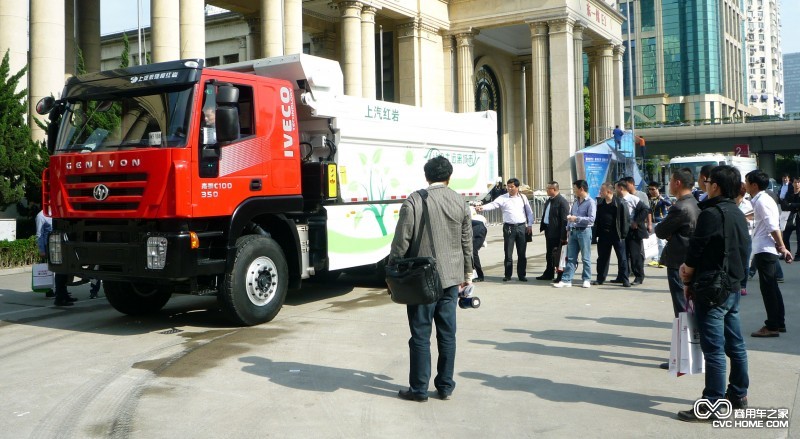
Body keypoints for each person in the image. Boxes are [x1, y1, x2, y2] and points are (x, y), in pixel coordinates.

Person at [389, 156, 472, 402]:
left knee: (420, 335)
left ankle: (419, 389)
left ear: (427, 176)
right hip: (451, 279)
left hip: (422, 281)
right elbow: (466, 241)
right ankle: (445, 385)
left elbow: (402, 239)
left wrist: (393, 267)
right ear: (449, 177)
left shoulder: (415, 200)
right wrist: (467, 274)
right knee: (447, 335)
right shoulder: (460, 201)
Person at [677, 165, 750, 422]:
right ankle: (738, 394)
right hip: (731, 287)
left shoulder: (711, 213)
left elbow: (696, 250)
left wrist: (687, 273)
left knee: (715, 350)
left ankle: (713, 403)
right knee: (736, 344)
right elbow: (744, 250)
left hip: (712, 289)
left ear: (715, 186)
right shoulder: (738, 213)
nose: (705, 186)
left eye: (707, 182)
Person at [745, 170, 793, 338]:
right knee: (772, 287)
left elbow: (772, 226)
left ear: (754, 185)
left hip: (765, 249)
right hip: (766, 248)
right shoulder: (763, 199)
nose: (744, 185)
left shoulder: (761, 201)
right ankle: (779, 323)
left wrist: (782, 247)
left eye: (746, 182)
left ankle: (772, 325)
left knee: (768, 289)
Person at [655, 168, 701, 318]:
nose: (668, 185)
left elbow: (660, 231)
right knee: (690, 302)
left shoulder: (680, 207)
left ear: (677, 183)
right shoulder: (695, 203)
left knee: (682, 304)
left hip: (679, 260)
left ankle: (686, 337)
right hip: (692, 258)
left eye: (670, 182)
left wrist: (670, 234)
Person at [476, 178, 534, 282]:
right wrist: (482, 208)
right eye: (508, 186)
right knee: (508, 253)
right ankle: (508, 275)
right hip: (509, 228)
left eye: (512, 187)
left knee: (522, 253)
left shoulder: (523, 197)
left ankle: (522, 275)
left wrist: (529, 225)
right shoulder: (503, 198)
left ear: (517, 187)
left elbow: (529, 212)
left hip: (521, 227)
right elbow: (493, 204)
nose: (510, 189)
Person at [554, 180, 596, 289]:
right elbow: (571, 215)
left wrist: (576, 219)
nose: (574, 191)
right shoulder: (576, 202)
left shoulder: (590, 202)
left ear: (581, 189)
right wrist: (568, 228)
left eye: (575, 189)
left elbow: (591, 219)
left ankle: (586, 279)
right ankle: (567, 279)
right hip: (573, 231)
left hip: (584, 231)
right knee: (571, 257)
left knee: (585, 257)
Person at [593, 182, 630, 287]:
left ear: (608, 191)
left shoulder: (619, 203)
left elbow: (625, 220)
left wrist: (623, 234)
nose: (600, 192)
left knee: (622, 258)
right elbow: (597, 220)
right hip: (604, 235)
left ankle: (625, 279)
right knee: (602, 258)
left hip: (617, 234)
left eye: (602, 190)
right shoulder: (600, 203)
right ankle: (600, 278)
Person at [36, 210, 76, 307]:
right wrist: (42, 250)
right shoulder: (41, 216)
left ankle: (64, 294)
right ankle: (59, 297)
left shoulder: (57, 213)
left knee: (65, 271)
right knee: (59, 271)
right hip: (51, 246)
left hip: (61, 245)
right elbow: (39, 234)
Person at [617, 181, 649, 286]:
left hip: (634, 231)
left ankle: (639, 276)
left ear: (621, 188)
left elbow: (645, 209)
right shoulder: (619, 200)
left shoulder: (633, 199)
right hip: (624, 230)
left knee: (635, 255)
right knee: (624, 255)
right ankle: (623, 276)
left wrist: (636, 221)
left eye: (616, 188)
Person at [536, 181, 569, 282]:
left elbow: (564, 220)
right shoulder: (549, 200)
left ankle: (560, 275)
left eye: (548, 188)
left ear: (554, 189)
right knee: (549, 254)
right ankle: (549, 273)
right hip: (549, 230)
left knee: (558, 255)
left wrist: (563, 236)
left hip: (557, 233)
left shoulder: (562, 202)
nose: (546, 190)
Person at [735, 182, 753, 297]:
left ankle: (743, 285)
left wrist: (746, 220)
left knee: (745, 262)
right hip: (733, 236)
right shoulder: (730, 204)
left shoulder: (748, 205)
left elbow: (753, 222)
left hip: (746, 236)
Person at [647, 181, 672, 266]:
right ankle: (654, 259)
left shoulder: (663, 197)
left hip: (661, 221)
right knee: (652, 242)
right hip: (652, 222)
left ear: (657, 189)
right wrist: (649, 223)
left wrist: (660, 197)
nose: (651, 191)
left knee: (661, 241)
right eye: (649, 189)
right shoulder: (649, 198)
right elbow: (648, 211)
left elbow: (669, 203)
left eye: (653, 189)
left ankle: (661, 259)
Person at [780, 176, 800, 259]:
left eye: (798, 182)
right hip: (789, 217)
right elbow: (784, 205)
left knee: (799, 238)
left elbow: (791, 205)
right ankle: (787, 253)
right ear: (792, 183)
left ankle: (798, 255)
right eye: (795, 182)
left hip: (798, 217)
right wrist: (793, 206)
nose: (797, 184)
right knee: (785, 236)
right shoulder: (789, 193)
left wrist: (791, 205)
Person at [470, 207, 488, 282]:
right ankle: (475, 274)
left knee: (473, 252)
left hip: (477, 231)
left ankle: (479, 275)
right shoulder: (479, 218)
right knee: (472, 253)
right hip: (478, 231)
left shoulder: (477, 219)